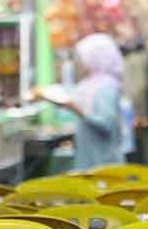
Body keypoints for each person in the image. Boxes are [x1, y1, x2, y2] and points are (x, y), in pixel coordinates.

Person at [33, 33, 125, 170]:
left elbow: (106, 124)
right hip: (89, 162)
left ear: (96, 57)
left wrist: (76, 109)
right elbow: (70, 96)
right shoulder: (88, 84)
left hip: (105, 165)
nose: (80, 61)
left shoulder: (107, 86)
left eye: (83, 57)